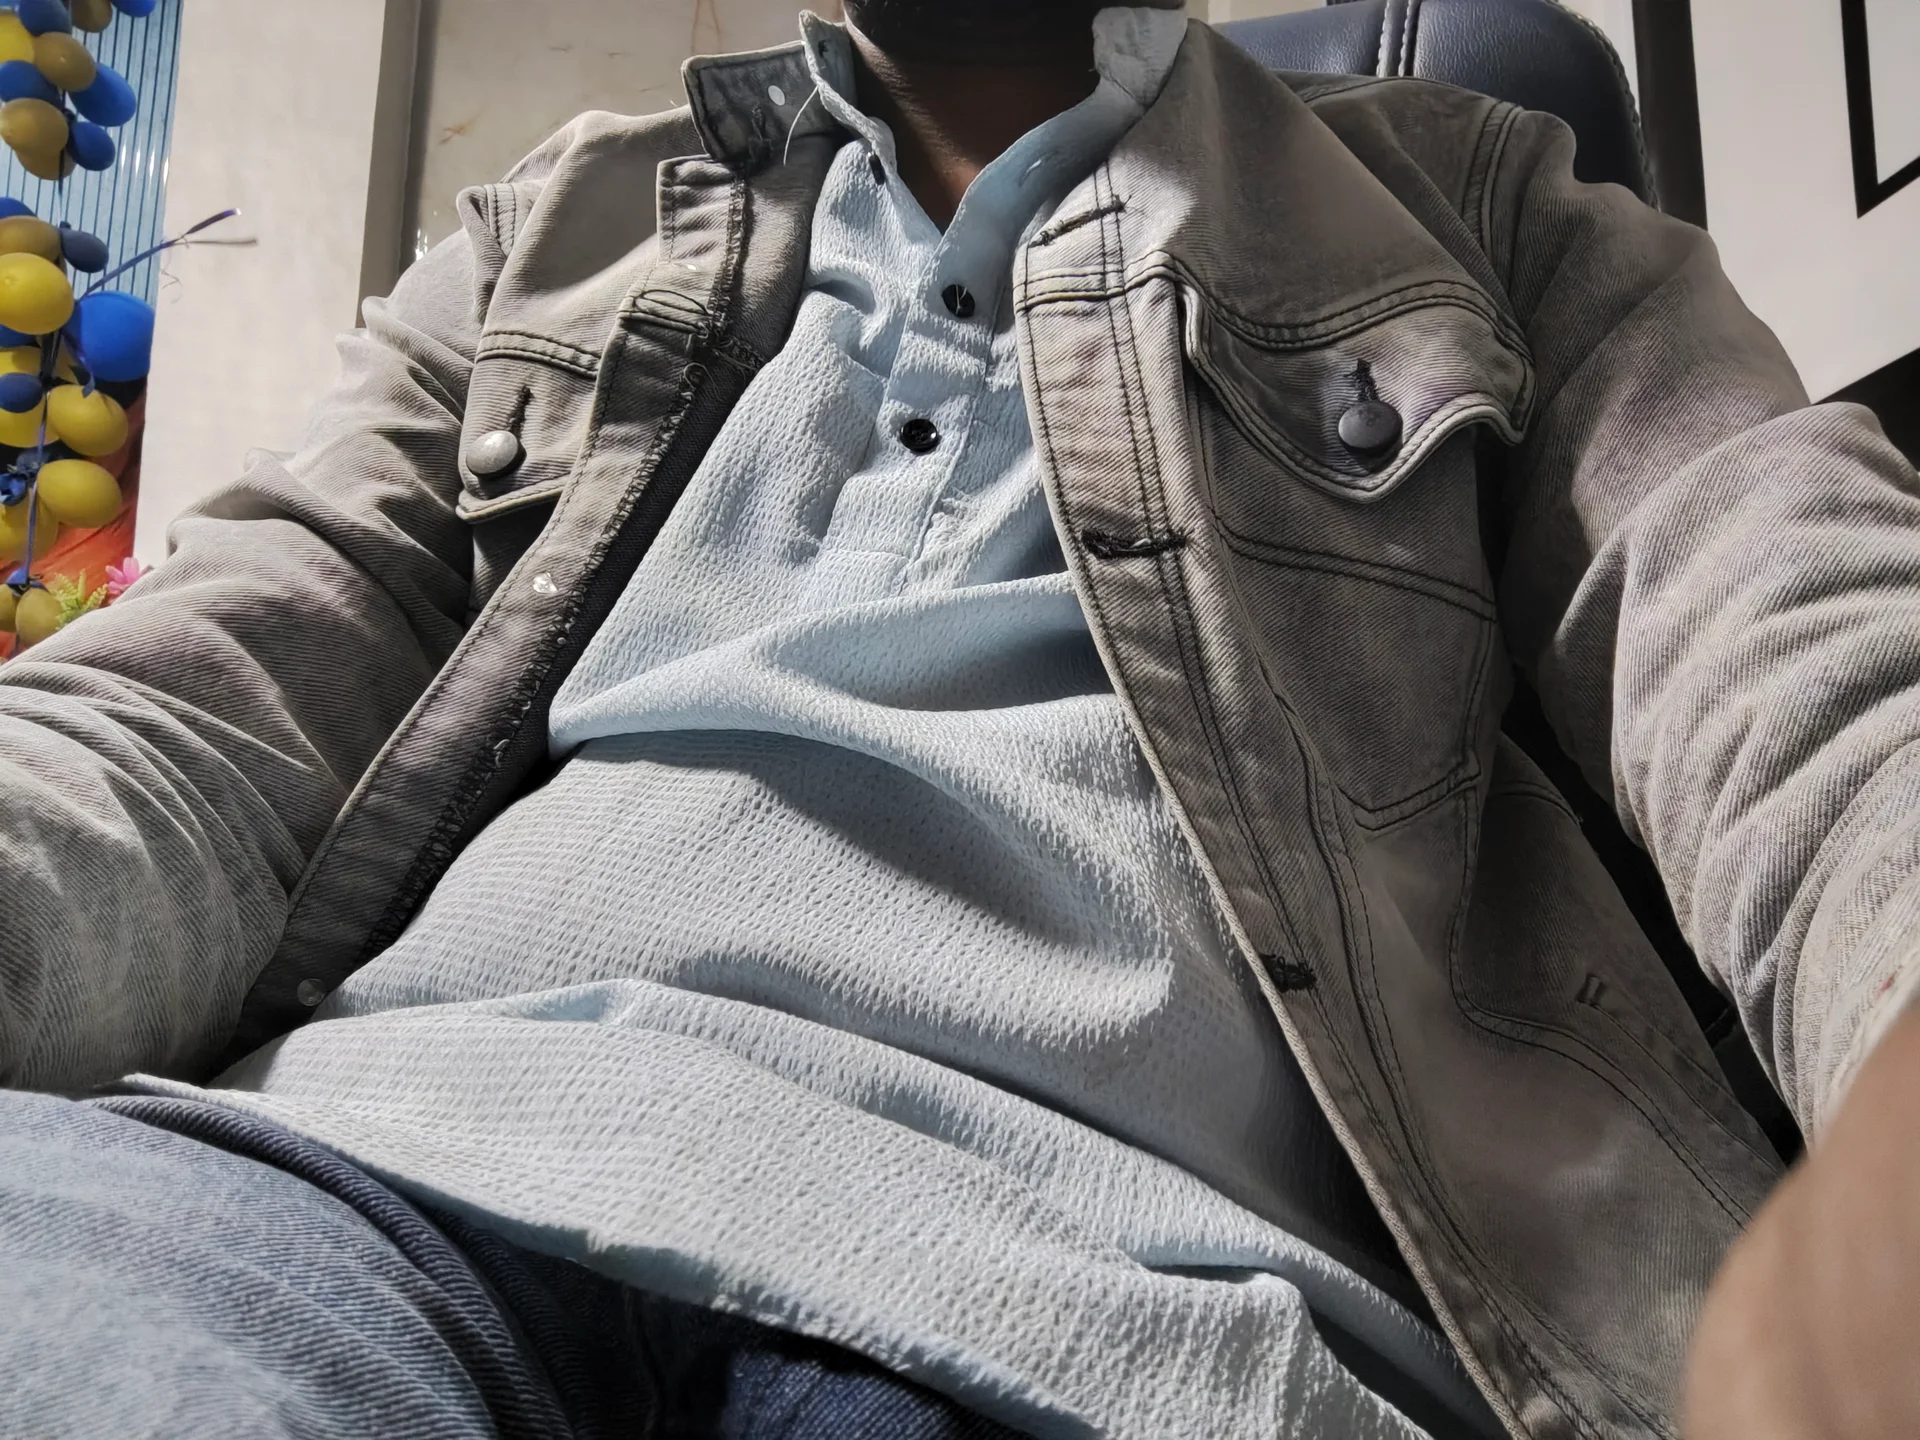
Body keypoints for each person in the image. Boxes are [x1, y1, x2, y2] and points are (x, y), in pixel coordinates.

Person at [0, 0, 1915, 1435]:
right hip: (341, 1190)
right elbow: (187, 720)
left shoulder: (1489, 213)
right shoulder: (548, 236)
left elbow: (1801, 667)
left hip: (1114, 1313)